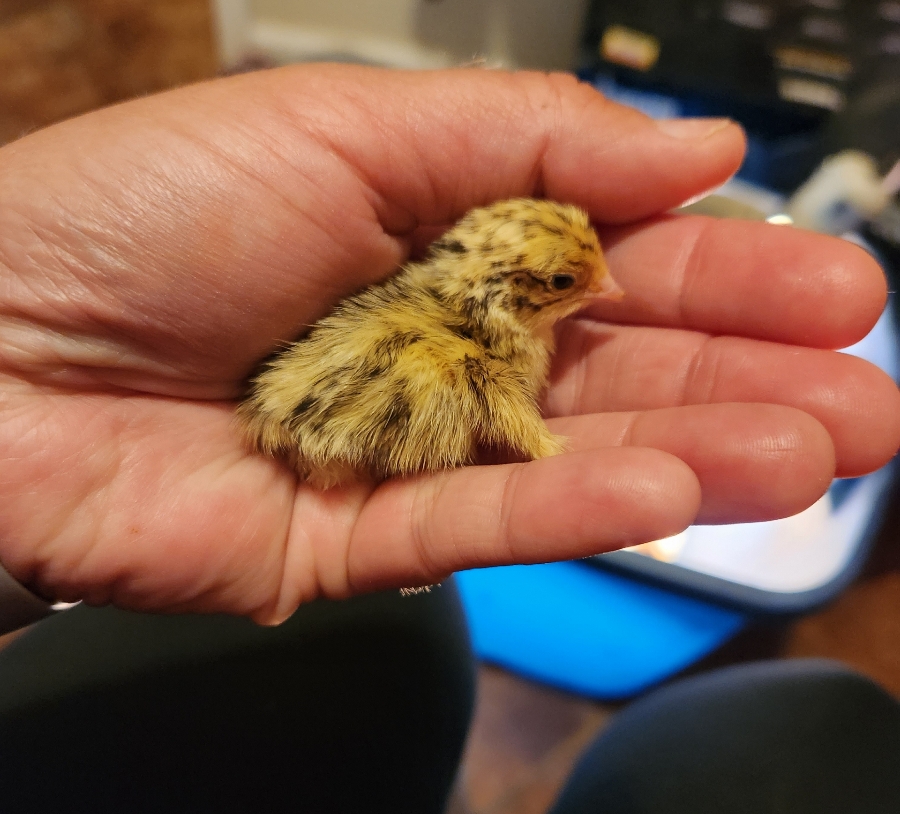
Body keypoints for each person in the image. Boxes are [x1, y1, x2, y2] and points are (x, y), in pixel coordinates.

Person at [0, 63, 897, 622]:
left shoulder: (423, 294)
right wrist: (540, 444)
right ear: (509, 292)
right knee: (441, 417)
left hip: (282, 420)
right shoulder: (485, 350)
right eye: (565, 284)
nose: (601, 292)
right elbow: (501, 401)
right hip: (342, 423)